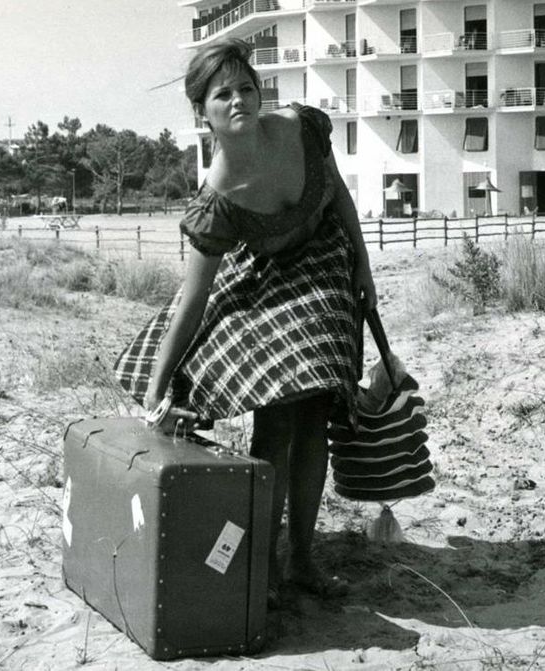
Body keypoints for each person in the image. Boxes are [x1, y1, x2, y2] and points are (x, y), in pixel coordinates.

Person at [114, 38, 376, 603]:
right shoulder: (218, 197)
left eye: (246, 88)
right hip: (264, 275)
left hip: (326, 260)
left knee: (314, 413)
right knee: (278, 418)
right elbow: (193, 300)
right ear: (201, 112)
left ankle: (302, 558)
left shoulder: (303, 127)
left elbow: (341, 201)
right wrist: (156, 392)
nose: (239, 101)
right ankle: (266, 565)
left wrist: (365, 269)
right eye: (222, 94)